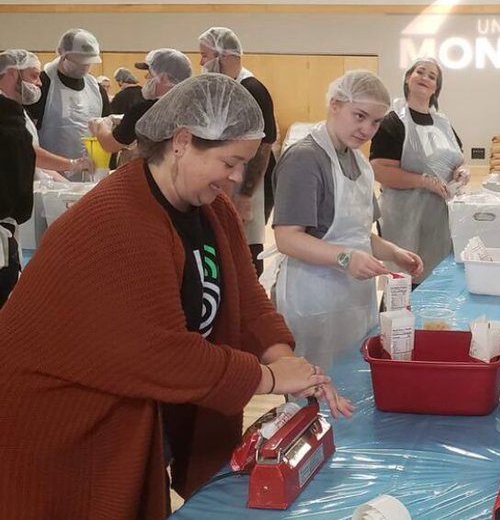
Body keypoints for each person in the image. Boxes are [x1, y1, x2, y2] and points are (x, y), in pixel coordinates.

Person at [0, 73, 351, 520]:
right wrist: (268, 381)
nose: (236, 180)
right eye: (231, 162)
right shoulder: (118, 222)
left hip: (116, 422)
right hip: (49, 443)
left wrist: (279, 352)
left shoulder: (204, 208)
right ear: (183, 140)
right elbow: (160, 354)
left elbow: (244, 294)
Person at [272, 71, 423, 367]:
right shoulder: (305, 158)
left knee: (352, 380)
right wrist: (345, 258)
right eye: (359, 116)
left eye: (376, 122)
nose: (367, 129)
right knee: (315, 388)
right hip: (313, 299)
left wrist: (393, 252)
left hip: (353, 299)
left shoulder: (360, 164)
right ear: (335, 104)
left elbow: (357, 233)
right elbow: (287, 237)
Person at [0, 50, 93, 307]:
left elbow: (28, 155)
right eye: (33, 76)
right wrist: (72, 164)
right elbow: (29, 152)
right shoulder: (6, 113)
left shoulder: (15, 110)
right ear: (9, 74)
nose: (39, 83)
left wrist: (60, 175)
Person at [370, 58, 468, 282]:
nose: (425, 78)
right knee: (405, 282)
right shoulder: (393, 122)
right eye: (420, 72)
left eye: (432, 76)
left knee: (438, 281)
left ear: (436, 88)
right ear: (408, 78)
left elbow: (459, 159)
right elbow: (379, 170)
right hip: (405, 219)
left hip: (440, 220)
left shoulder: (443, 123)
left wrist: (462, 171)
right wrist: (424, 181)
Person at [199, 27, 277, 276]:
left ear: (225, 56)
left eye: (205, 55)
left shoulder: (251, 89)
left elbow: (264, 146)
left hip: (249, 183)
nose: (201, 61)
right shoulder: (225, 86)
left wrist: (245, 196)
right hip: (230, 179)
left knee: (246, 250)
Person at [89, 50, 193, 163]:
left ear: (163, 77)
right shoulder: (193, 108)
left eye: (150, 73)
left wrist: (101, 125)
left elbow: (110, 145)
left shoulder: (144, 111)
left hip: (154, 174)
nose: (146, 77)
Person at [30, 29, 109, 166]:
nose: (84, 66)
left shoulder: (96, 89)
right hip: (48, 176)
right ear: (63, 54)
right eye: (79, 61)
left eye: (88, 63)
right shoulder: (42, 85)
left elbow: (106, 134)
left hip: (88, 174)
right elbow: (28, 138)